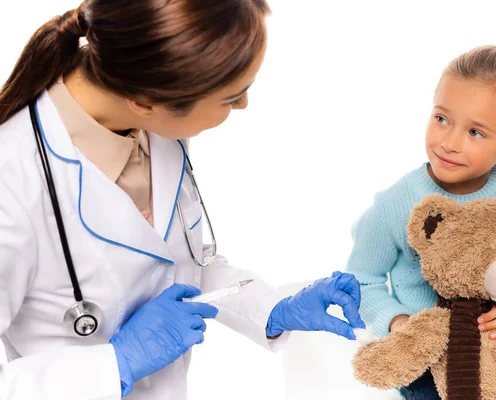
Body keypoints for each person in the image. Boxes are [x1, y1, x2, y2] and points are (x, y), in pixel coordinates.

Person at [0, 1, 365, 399]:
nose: (244, 105)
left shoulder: (153, 122)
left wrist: (274, 309)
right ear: (145, 100)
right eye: (232, 96)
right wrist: (114, 365)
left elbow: (172, 264)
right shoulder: (13, 181)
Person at [345, 45, 496, 400]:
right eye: (441, 119)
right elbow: (361, 280)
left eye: (475, 132)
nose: (449, 142)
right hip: (433, 358)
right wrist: (399, 322)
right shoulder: (396, 202)